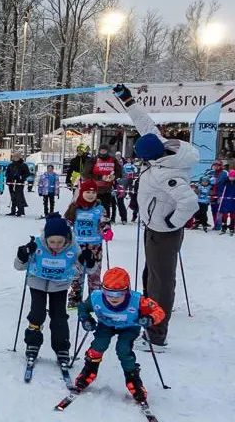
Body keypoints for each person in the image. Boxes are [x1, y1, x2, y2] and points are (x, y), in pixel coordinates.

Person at [115, 84, 199, 350]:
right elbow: (144, 123)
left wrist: (170, 223)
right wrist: (127, 100)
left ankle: (156, 334)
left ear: (150, 157)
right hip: (154, 227)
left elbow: (189, 202)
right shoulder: (161, 146)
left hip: (163, 233)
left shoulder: (167, 172)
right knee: (150, 276)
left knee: (161, 282)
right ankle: (147, 315)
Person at [14, 213, 98, 376]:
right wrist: (23, 254)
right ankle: (32, 342)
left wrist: (88, 260)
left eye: (60, 242)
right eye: (52, 242)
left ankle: (61, 347)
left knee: (59, 316)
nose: (56, 246)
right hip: (37, 282)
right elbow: (19, 266)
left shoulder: (73, 247)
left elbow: (86, 270)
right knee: (37, 314)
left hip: (60, 285)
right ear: (46, 238)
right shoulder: (37, 244)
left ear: (67, 238)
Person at [74, 267, 166, 404]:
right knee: (100, 344)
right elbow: (82, 308)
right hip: (106, 325)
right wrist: (86, 319)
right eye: (109, 293)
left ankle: (133, 378)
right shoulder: (96, 298)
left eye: (119, 294)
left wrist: (150, 318)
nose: (113, 298)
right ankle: (90, 368)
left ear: (127, 291)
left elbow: (159, 311)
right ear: (102, 290)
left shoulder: (137, 300)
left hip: (129, 327)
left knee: (123, 349)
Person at [65, 180, 109, 308]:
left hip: (95, 248)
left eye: (93, 192)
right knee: (76, 274)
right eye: (87, 192)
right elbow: (67, 223)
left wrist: (106, 231)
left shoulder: (99, 209)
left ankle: (93, 299)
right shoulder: (75, 208)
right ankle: (75, 298)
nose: (90, 195)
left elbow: (104, 222)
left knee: (94, 274)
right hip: (78, 247)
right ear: (82, 192)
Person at [83, 143, 122, 222]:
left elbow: (119, 171)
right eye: (101, 150)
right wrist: (100, 177)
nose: (103, 152)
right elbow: (85, 174)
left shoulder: (113, 160)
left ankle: (105, 227)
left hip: (106, 189)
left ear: (107, 151)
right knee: (93, 208)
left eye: (104, 151)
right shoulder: (93, 160)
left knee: (105, 209)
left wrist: (114, 176)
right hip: (93, 190)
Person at [219, 170, 235, 235]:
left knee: (233, 215)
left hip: (233, 202)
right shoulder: (225, 182)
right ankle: (223, 227)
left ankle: (232, 227)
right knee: (224, 215)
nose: (231, 178)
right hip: (225, 201)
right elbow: (221, 190)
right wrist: (220, 195)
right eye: (230, 177)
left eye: (233, 177)